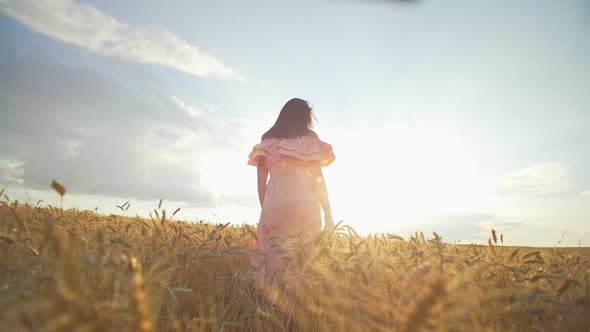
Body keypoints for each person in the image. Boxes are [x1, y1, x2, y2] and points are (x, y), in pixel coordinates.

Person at [247, 98, 335, 310]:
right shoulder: (309, 139)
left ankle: (274, 303)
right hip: (304, 201)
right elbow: (317, 177)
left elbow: (261, 182)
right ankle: (298, 304)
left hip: (275, 202)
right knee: (304, 252)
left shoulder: (267, 141)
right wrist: (329, 213)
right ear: (305, 117)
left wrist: (266, 209)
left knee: (274, 254)